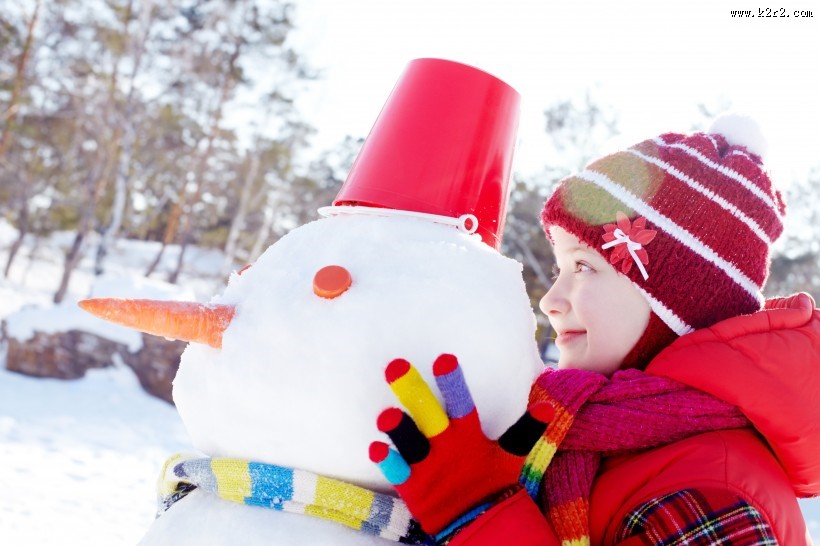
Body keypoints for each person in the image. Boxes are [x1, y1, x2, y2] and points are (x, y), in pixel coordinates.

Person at [370, 115, 820, 545]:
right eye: (559, 268)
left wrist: (477, 510)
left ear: (675, 306)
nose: (550, 300)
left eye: (584, 266)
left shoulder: (718, 490)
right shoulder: (593, 433)